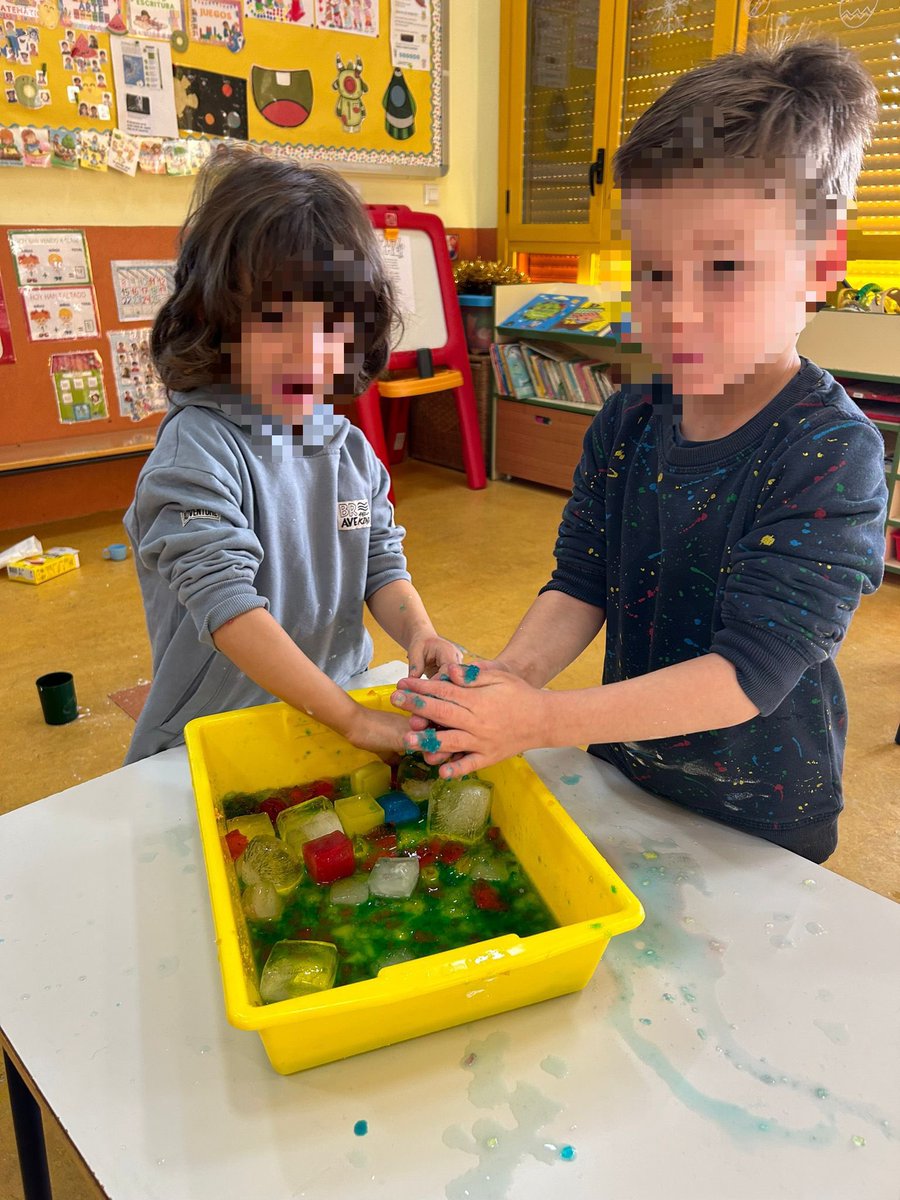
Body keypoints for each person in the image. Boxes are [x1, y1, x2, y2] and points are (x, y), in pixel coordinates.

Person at [392, 40, 889, 864]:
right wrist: (512, 679)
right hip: (626, 774)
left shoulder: (831, 452)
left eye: (724, 267)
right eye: (654, 270)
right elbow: (580, 583)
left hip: (761, 816)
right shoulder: (628, 419)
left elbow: (746, 675)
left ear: (820, 265)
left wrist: (546, 720)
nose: (677, 310)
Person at [124, 146, 459, 764]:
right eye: (276, 320)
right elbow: (228, 607)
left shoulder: (350, 450)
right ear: (216, 317)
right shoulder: (196, 450)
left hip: (335, 711)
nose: (308, 351)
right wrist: (356, 722)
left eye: (332, 323)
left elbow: (380, 565)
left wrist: (419, 632)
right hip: (214, 737)